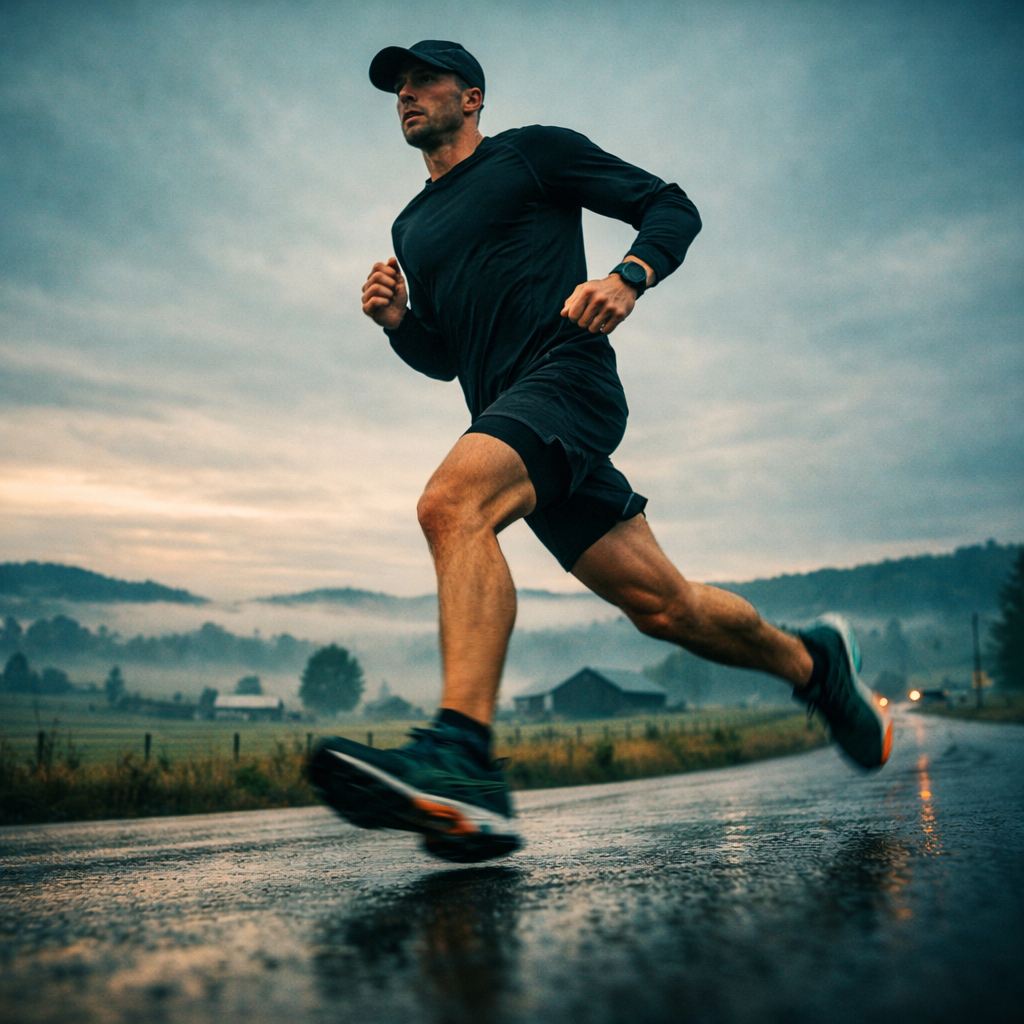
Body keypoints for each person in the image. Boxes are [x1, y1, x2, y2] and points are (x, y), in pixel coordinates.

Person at [309, 40, 892, 863]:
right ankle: (815, 664)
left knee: (451, 504)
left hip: (569, 379)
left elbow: (669, 204)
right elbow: (447, 357)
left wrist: (629, 275)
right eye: (395, 86)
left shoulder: (534, 154)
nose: (404, 94)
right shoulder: (411, 224)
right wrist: (400, 322)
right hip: (512, 415)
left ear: (471, 97)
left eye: (422, 80)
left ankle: (463, 759)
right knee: (666, 608)